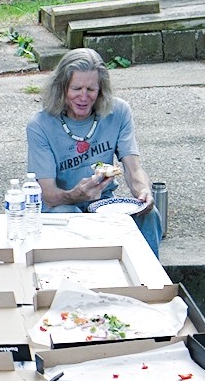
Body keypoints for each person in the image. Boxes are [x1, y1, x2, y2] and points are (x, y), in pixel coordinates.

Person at [28, 47, 162, 255]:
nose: (84, 97)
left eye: (91, 89)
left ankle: (150, 280)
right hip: (60, 206)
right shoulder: (40, 125)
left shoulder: (119, 112)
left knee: (149, 214)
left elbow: (133, 168)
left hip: (103, 202)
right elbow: (48, 195)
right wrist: (76, 194)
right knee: (71, 215)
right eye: (76, 89)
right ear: (62, 88)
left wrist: (143, 191)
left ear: (101, 89)